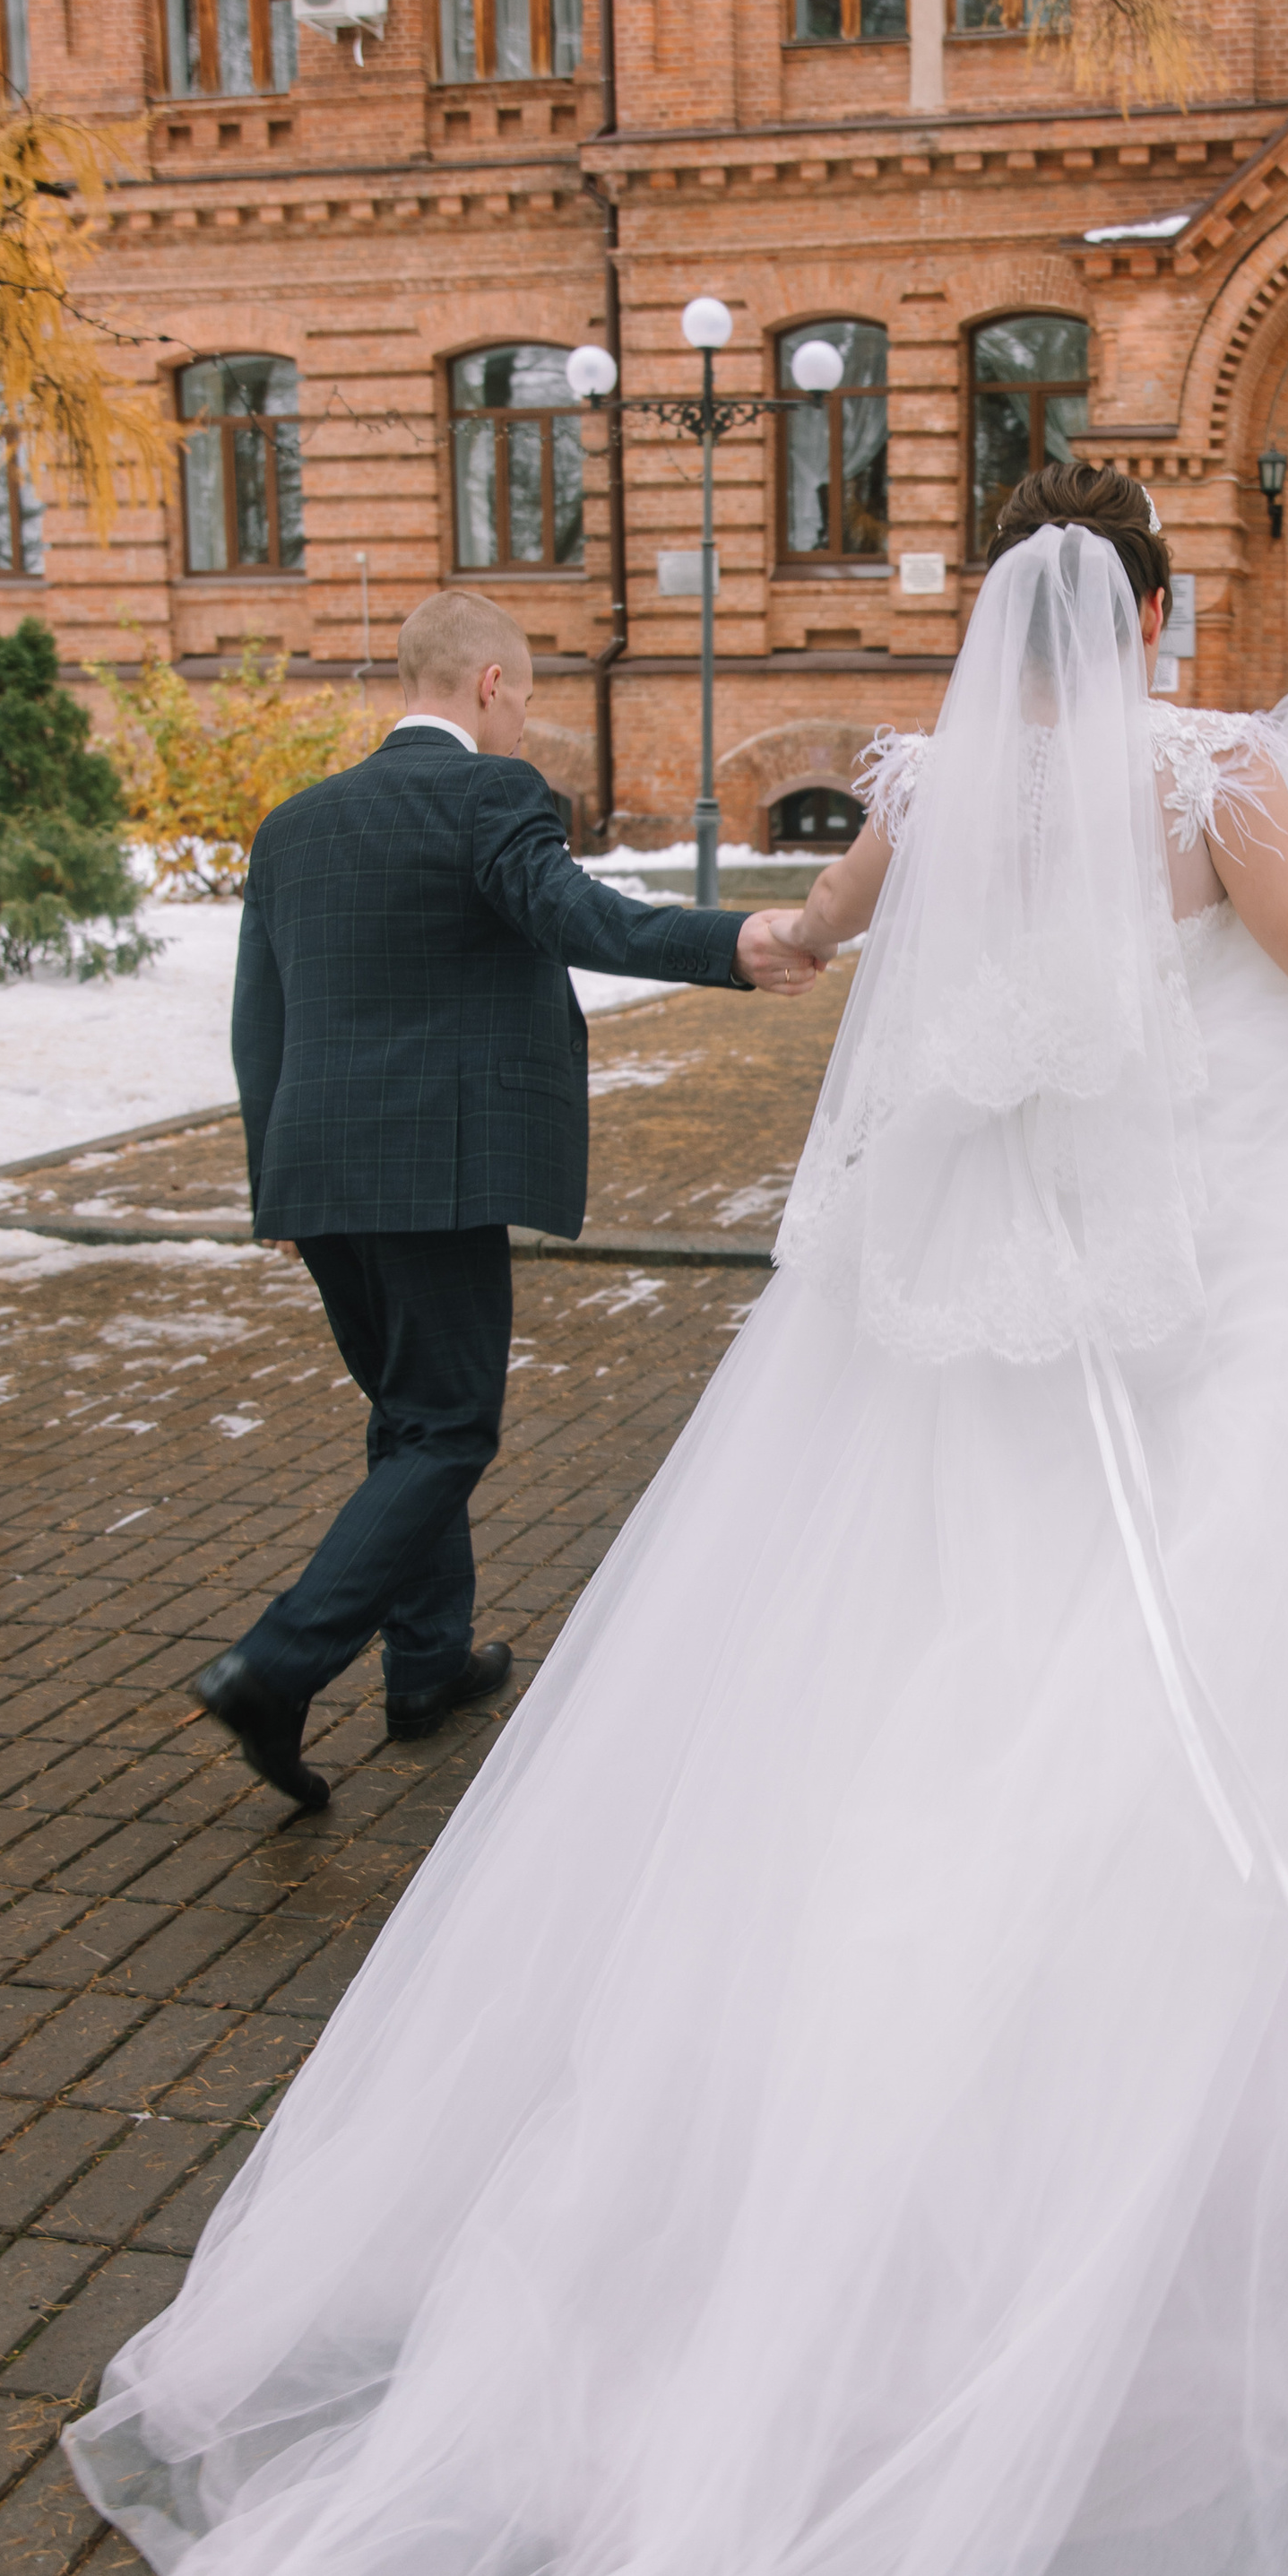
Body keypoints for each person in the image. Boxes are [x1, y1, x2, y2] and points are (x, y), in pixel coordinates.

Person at [70, 468, 1288, 2576]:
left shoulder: (923, 790)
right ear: (1156, 608)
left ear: (1005, 612)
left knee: (898, 1704)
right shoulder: (1217, 786)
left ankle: (797, 2205)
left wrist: (798, 945)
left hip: (953, 1341)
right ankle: (1139, 2183)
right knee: (1163, 1701)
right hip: (1181, 1305)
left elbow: (821, 934)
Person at [192, 587, 821, 1816]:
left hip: (318, 1173)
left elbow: (257, 1017)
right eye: (526, 695)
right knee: (446, 1428)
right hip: (435, 1172)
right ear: (487, 685)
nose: (527, 718)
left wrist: (273, 1174)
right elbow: (571, 914)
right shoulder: (488, 793)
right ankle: (278, 1664)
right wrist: (731, 943)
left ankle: (428, 1667)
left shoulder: (295, 824)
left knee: (407, 1418)